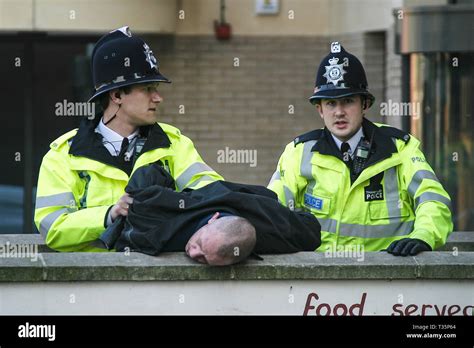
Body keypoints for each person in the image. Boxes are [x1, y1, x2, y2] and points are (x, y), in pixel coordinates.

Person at [34, 26, 223, 252]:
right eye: (147, 88)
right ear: (116, 95)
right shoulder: (63, 155)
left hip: (163, 281)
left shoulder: (175, 144)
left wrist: (211, 218)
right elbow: (51, 227)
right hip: (92, 282)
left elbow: (213, 194)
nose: (158, 97)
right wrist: (109, 214)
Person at [268, 42, 453, 256]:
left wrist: (424, 235)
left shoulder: (401, 148)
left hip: (390, 278)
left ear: (364, 104)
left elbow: (432, 198)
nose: (339, 112)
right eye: (330, 103)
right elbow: (273, 209)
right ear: (319, 109)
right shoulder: (299, 152)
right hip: (318, 278)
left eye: (347, 101)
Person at [98, 163, 321, 265]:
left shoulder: (277, 231)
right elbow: (150, 172)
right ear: (212, 220)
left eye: (205, 260)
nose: (193, 254)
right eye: (199, 245)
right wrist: (128, 203)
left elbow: (311, 230)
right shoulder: (159, 211)